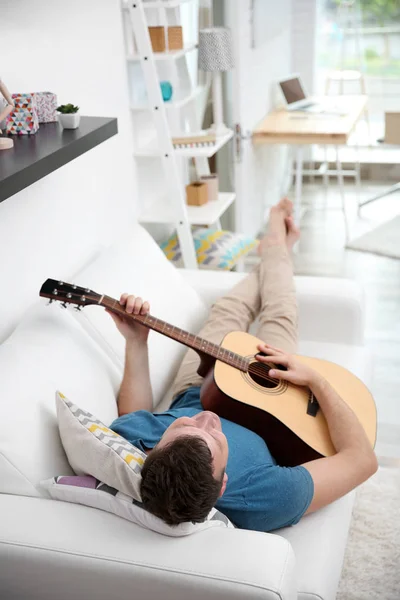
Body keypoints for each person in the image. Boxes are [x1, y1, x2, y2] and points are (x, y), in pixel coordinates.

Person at [109, 198, 378, 532]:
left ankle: (274, 250)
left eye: (183, 425)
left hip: (200, 382)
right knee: (280, 311)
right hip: (274, 399)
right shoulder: (265, 499)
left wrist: (136, 341)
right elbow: (361, 460)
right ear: (223, 485)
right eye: (215, 438)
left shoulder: (137, 444)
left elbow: (132, 417)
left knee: (227, 311)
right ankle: (277, 249)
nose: (208, 417)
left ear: (150, 452)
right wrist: (315, 381)